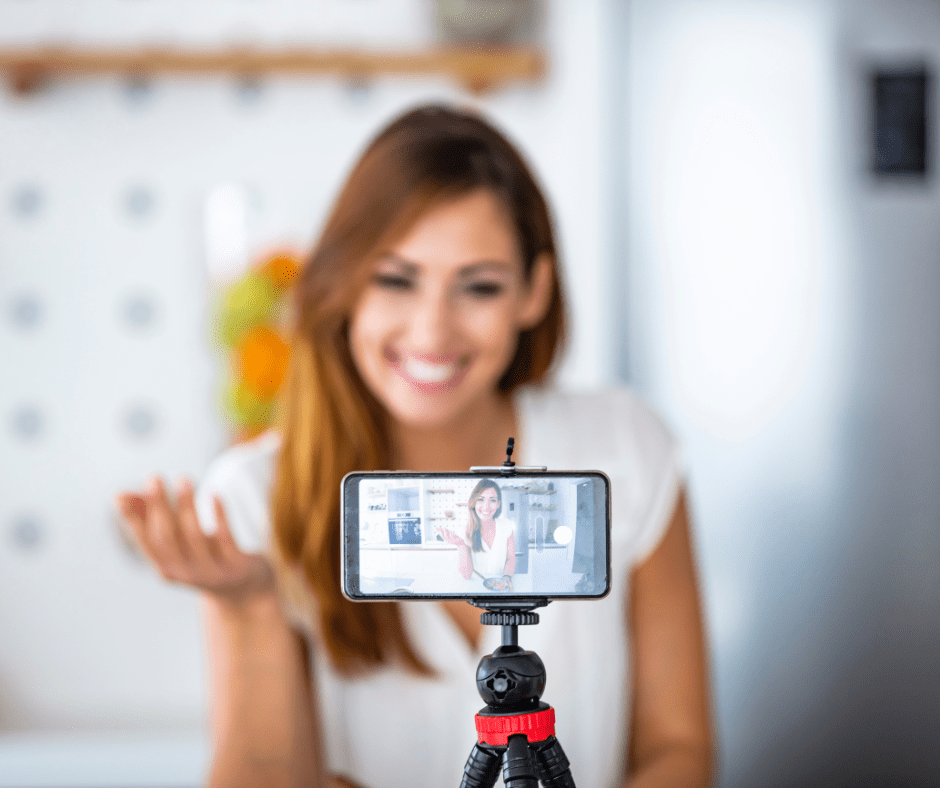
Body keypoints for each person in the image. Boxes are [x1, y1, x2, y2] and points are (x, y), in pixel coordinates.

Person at [114, 102, 715, 788]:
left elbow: (679, 749)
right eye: (396, 279)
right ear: (343, 284)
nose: (432, 331)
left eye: (479, 286)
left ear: (534, 291)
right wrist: (249, 605)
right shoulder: (252, 498)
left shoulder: (624, 448)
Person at [436, 478, 516, 591]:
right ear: (474, 502)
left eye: (492, 500)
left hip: (500, 587)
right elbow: (466, 575)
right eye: (481, 499)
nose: (486, 506)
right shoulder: (465, 530)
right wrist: (461, 544)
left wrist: (507, 577)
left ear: (498, 504)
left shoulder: (506, 525)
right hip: (475, 589)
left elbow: (510, 558)